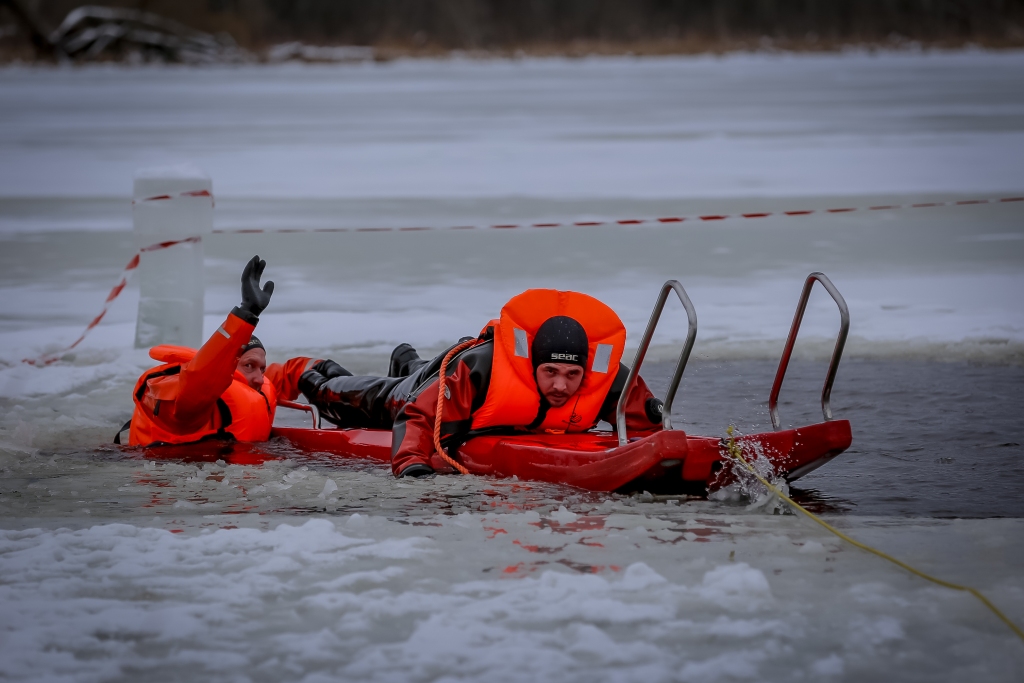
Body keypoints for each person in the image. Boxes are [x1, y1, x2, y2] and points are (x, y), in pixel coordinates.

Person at [300, 289, 665, 478]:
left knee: (415, 372)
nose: (561, 385)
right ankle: (311, 374)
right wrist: (411, 464)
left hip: (452, 383)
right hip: (433, 385)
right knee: (368, 397)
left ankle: (408, 359)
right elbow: (418, 416)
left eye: (572, 375)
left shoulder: (607, 377)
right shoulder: (482, 368)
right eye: (550, 372)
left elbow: (648, 427)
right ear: (532, 365)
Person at [119, 255, 311, 447]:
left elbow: (283, 375)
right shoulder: (187, 401)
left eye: (261, 368)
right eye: (249, 365)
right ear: (226, 365)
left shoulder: (254, 384)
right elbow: (202, 381)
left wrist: (323, 375)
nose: (260, 377)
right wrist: (247, 314)